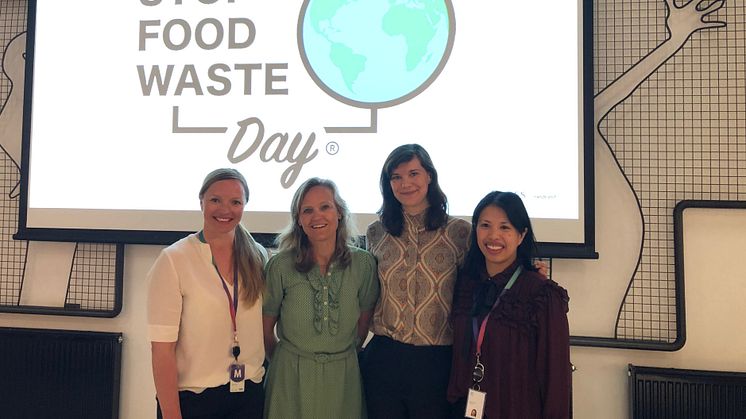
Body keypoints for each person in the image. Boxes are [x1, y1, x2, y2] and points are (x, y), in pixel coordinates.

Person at [147, 168, 268, 419]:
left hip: (250, 395)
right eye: (215, 200)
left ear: (245, 206)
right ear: (201, 200)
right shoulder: (173, 260)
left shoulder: (258, 256)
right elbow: (162, 351)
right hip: (193, 401)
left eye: (235, 202)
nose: (225, 210)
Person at [362, 144, 471, 419]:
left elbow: (483, 282)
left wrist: (530, 271)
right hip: (384, 358)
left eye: (413, 173)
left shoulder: (459, 233)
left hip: (436, 361)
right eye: (396, 177)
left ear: (429, 177)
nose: (405, 183)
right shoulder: (376, 233)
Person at [262, 177, 380, 419]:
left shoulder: (363, 264)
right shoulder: (280, 265)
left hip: (343, 376)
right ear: (299, 221)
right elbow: (265, 328)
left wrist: (338, 354)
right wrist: (289, 361)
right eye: (307, 210)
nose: (317, 216)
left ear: (339, 213)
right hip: (290, 377)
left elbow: (363, 322)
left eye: (325, 207)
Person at [447, 191, 571, 419]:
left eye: (505, 227)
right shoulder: (465, 285)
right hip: (467, 408)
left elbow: (556, 380)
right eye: (485, 225)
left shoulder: (542, 294)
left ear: (521, 235)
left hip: (516, 409)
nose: (493, 236)